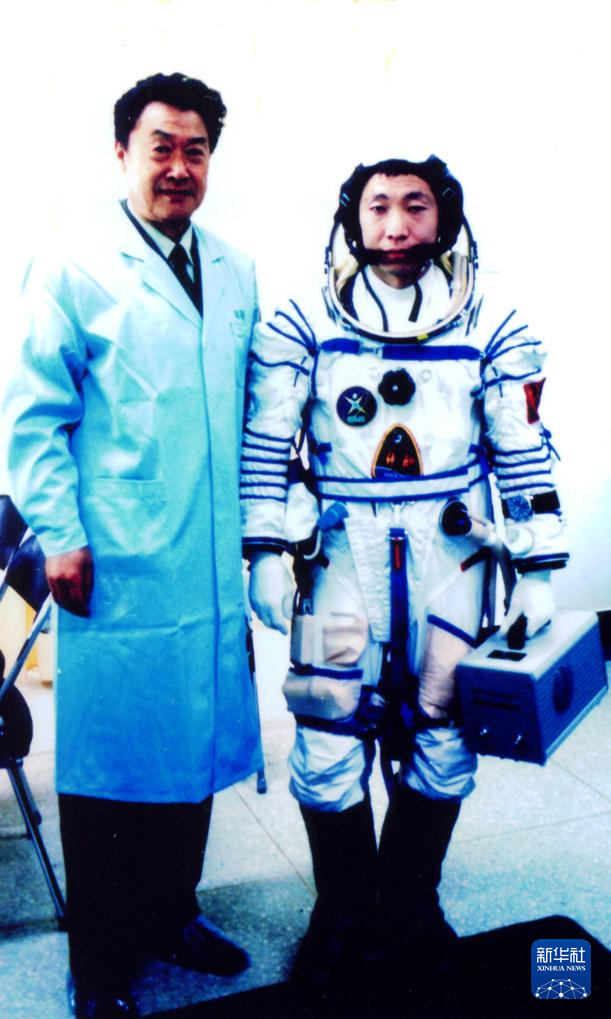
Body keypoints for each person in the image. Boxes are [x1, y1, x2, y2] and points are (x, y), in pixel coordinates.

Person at [241, 157, 568, 985]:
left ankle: (411, 903)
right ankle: (343, 910)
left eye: (414, 206)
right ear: (351, 219)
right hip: (340, 555)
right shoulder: (300, 323)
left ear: (444, 217)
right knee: (325, 724)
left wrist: (535, 565)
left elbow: (521, 446)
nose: (395, 226)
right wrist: (266, 550)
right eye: (378, 206)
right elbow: (267, 444)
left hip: (450, 556)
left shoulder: (493, 324)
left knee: (443, 727)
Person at [4, 72, 261, 1018]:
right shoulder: (74, 266)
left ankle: (171, 913)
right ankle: (101, 959)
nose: (179, 166)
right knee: (112, 763)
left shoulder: (233, 269)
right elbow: (33, 418)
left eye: (196, 149)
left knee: (190, 745)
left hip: (207, 551)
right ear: (122, 152)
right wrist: (61, 537)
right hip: (115, 553)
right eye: (162, 147)